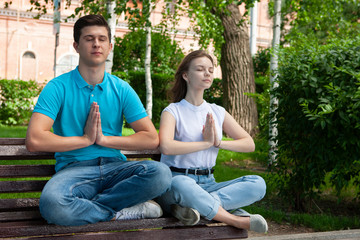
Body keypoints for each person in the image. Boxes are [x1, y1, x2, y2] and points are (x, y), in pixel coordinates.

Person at [25, 14, 171, 226]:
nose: (96, 44)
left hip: (115, 169)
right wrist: (85, 140)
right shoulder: (57, 87)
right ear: (76, 46)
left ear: (110, 46)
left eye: (102, 39)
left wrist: (103, 140)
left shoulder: (121, 88)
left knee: (161, 174)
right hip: (75, 171)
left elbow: (150, 138)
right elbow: (35, 140)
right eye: (89, 38)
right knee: (53, 204)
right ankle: (118, 212)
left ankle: (91, 208)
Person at [156, 50, 268, 233]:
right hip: (178, 181)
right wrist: (205, 143)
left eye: (210, 69)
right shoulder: (172, 111)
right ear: (186, 75)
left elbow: (249, 144)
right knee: (182, 186)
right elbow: (166, 147)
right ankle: (235, 219)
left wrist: (218, 143)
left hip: (209, 183)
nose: (207, 73)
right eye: (200, 69)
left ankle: (197, 207)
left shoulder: (217, 111)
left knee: (258, 184)